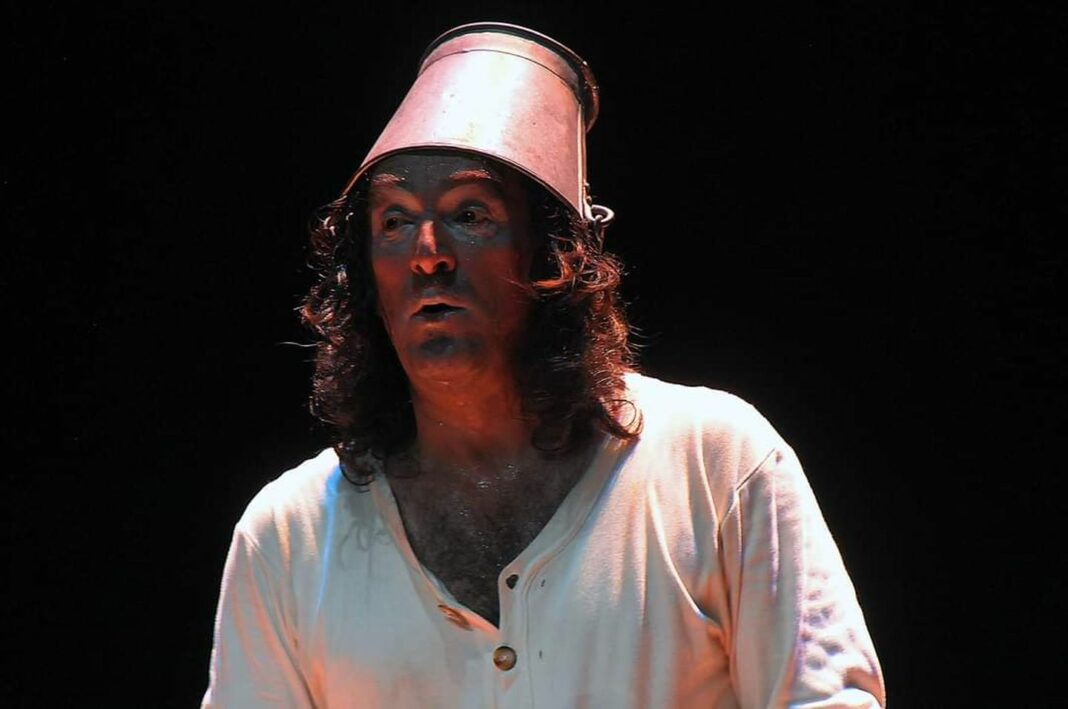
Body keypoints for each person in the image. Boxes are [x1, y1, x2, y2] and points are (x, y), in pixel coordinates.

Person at [203, 22, 886, 708]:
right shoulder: (288, 538)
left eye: (471, 214)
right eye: (395, 221)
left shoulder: (714, 465)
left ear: (552, 256)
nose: (428, 252)